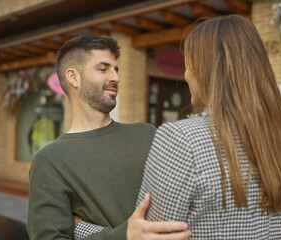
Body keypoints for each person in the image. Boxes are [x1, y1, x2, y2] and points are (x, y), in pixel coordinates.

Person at [128, 15, 281, 239]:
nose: (185, 75)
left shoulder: (181, 139)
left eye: (188, 64)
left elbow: (149, 233)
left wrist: (81, 228)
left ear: (205, 69)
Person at [27, 34, 191, 240]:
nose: (115, 77)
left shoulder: (149, 134)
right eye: (103, 69)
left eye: (115, 69)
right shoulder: (50, 162)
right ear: (73, 77)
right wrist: (124, 236)